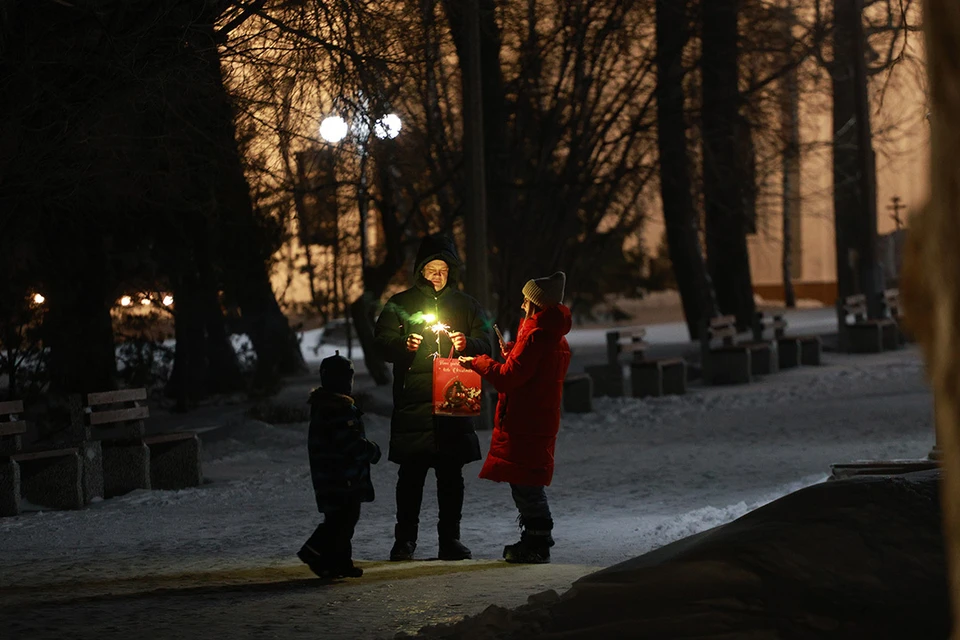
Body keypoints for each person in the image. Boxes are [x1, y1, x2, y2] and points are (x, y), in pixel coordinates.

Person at [374, 233, 494, 561]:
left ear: (452, 271)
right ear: (420, 270)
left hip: (453, 401)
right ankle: (405, 541)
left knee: (451, 477)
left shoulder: (467, 305)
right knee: (410, 477)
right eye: (432, 268)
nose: (438, 274)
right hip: (415, 404)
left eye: (444, 268)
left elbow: (488, 341)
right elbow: (381, 341)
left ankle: (449, 539)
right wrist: (403, 345)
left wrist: (467, 343)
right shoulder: (400, 303)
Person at [459, 271, 571, 563]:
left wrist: (481, 363)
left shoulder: (536, 337)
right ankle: (536, 538)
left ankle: (536, 542)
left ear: (536, 304)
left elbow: (509, 379)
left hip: (526, 421)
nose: (522, 304)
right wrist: (514, 354)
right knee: (527, 480)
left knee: (526, 484)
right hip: (538, 420)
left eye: (526, 300)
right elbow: (535, 372)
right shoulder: (555, 338)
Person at [298, 350, 382, 579]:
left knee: (343, 520)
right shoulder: (337, 409)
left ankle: (340, 561)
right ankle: (315, 553)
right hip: (341, 478)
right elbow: (350, 444)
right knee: (341, 521)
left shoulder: (327, 406)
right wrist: (372, 450)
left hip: (335, 477)